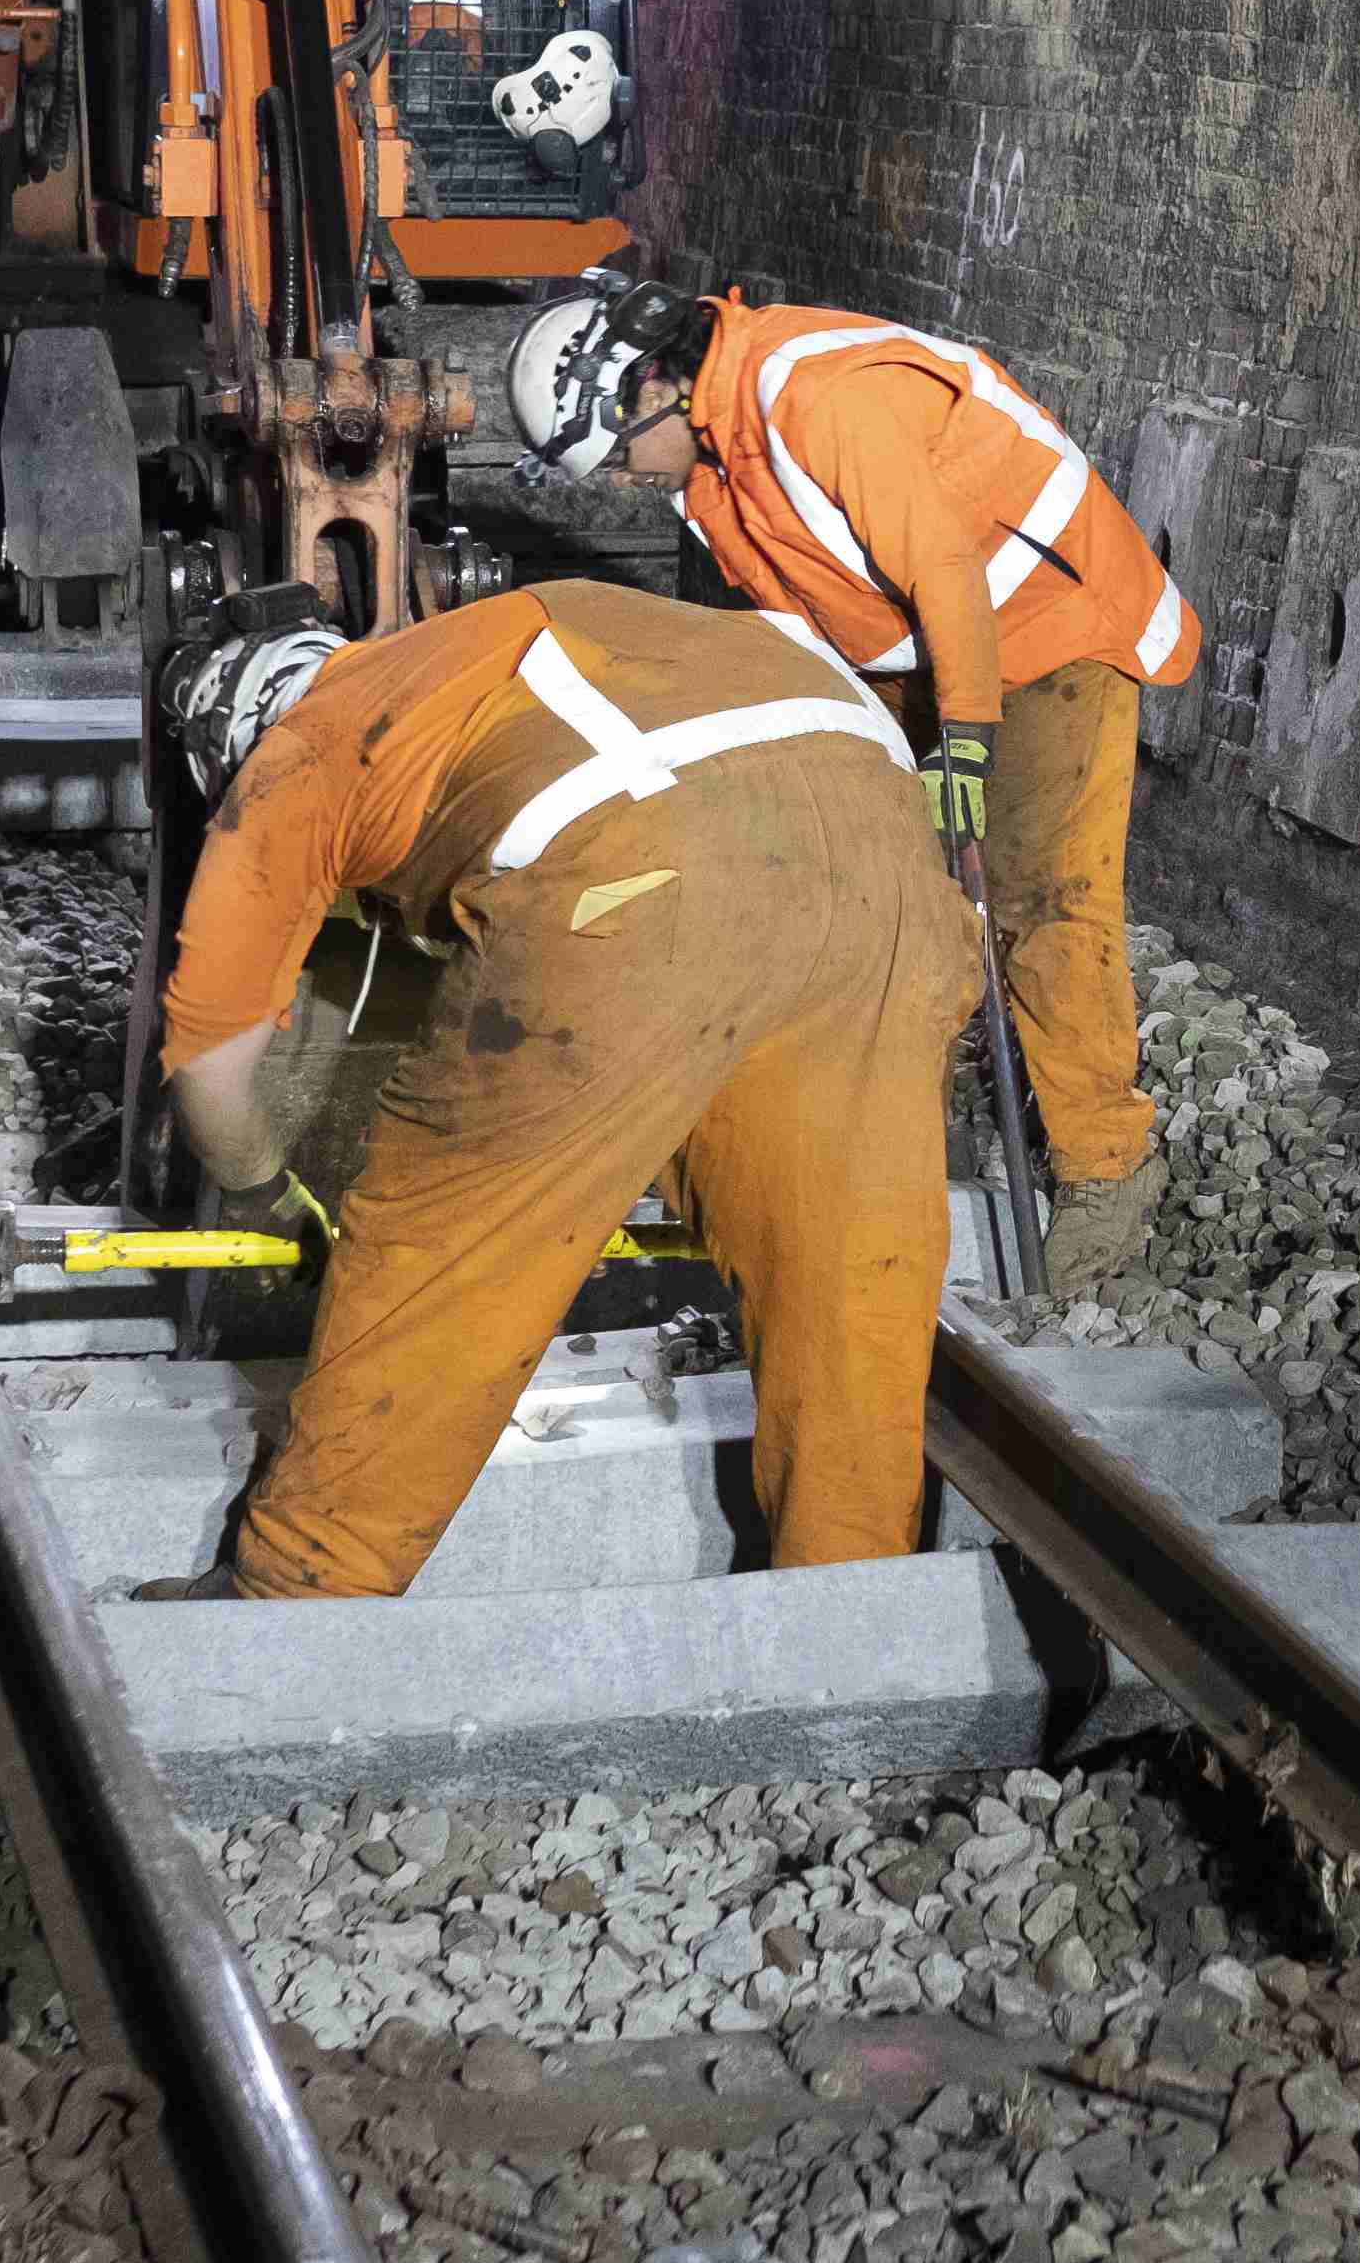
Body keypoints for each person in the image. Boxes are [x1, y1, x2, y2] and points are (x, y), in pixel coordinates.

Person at [143, 576, 974, 1596]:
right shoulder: (463, 652)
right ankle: (859, 1609)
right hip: (883, 854)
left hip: (637, 863)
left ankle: (301, 1588)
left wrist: (265, 1189)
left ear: (226, 736)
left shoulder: (296, 750)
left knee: (448, 1247)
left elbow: (213, 1065)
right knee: (846, 1266)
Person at [500, 281, 1201, 1286]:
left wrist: (959, 748)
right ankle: (936, 1119)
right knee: (900, 893)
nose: (621, 483)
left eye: (616, 457)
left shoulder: (810, 397)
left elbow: (947, 570)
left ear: (651, 384)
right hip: (924, 655)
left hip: (1049, 628)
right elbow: (807, 630)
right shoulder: (713, 472)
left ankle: (1109, 1165)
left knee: (1044, 901)